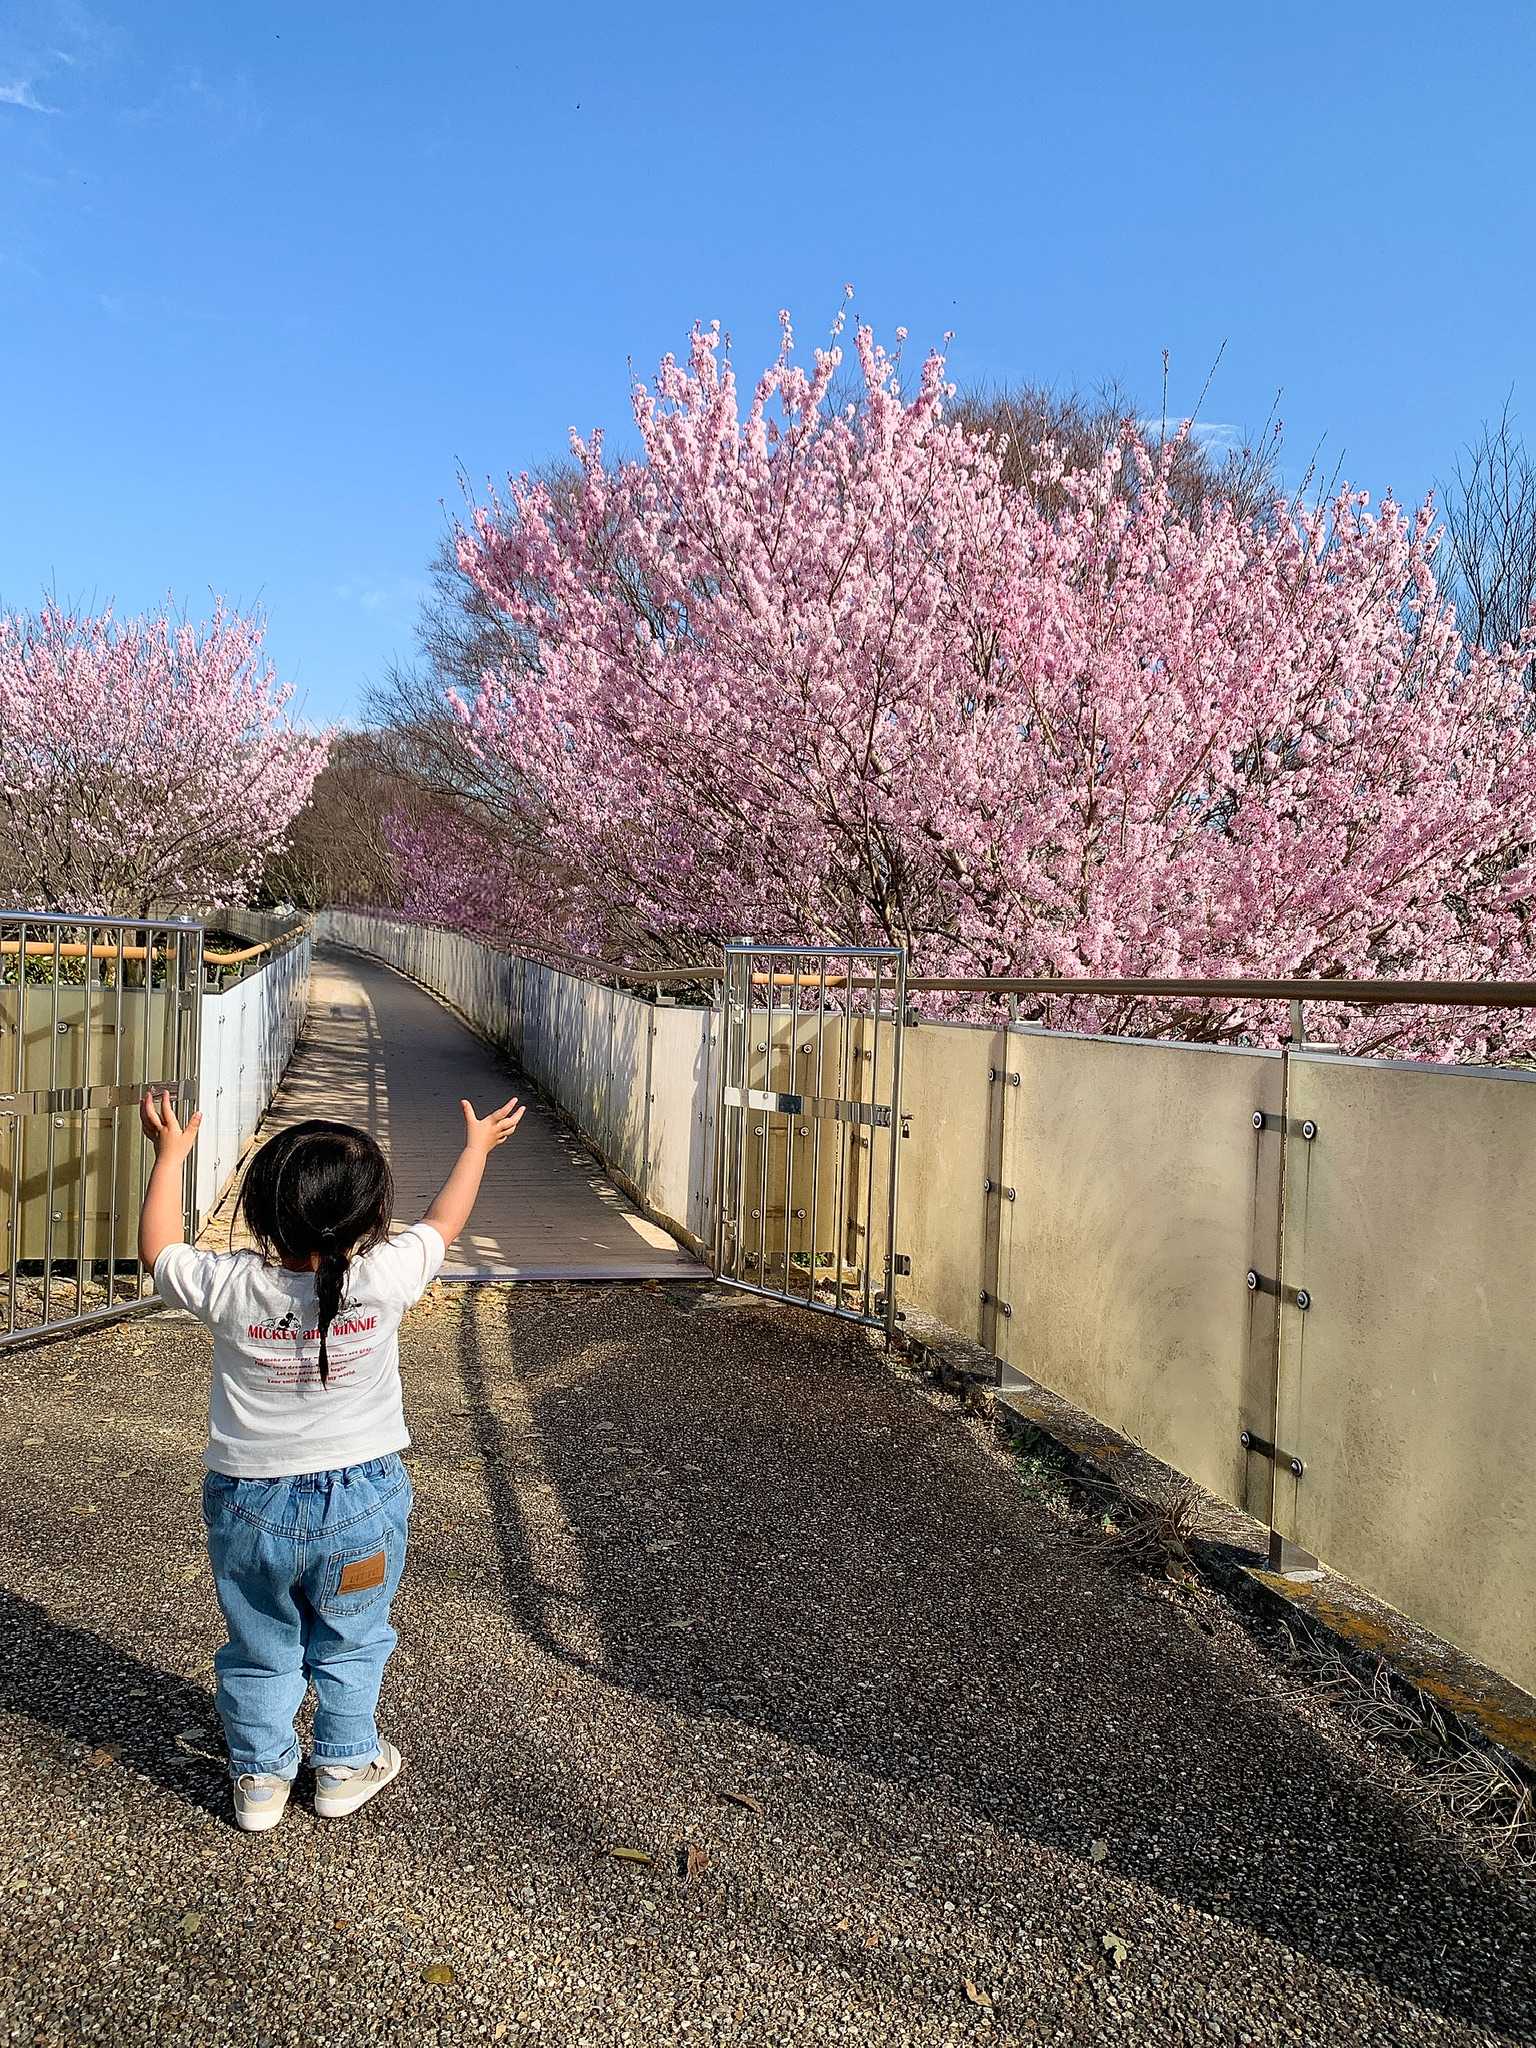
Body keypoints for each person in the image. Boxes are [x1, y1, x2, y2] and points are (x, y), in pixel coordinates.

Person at [138, 1088, 524, 1832]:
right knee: (353, 1634)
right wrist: (475, 1150)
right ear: (371, 1219)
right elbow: (444, 1222)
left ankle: (260, 1779)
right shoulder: (386, 1277)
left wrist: (171, 1159)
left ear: (261, 1211)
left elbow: (158, 1250)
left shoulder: (232, 1285)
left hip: (252, 1500)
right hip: (364, 1502)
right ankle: (344, 1763)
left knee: (263, 1642)